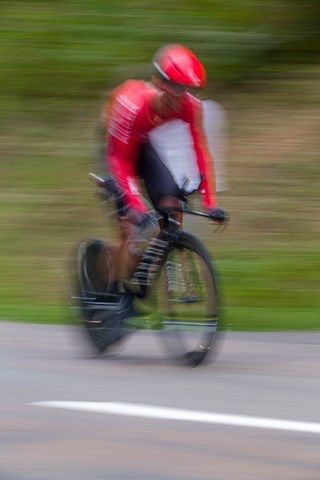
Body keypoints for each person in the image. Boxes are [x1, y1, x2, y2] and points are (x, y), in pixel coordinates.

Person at [99, 44, 228, 280]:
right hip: (114, 148)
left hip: (142, 143)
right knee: (131, 228)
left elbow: (201, 152)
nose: (181, 97)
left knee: (172, 205)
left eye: (188, 90)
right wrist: (137, 208)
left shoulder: (190, 106)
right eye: (176, 88)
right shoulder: (134, 106)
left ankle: (163, 274)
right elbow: (120, 160)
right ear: (158, 83)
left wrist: (210, 203)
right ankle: (113, 283)